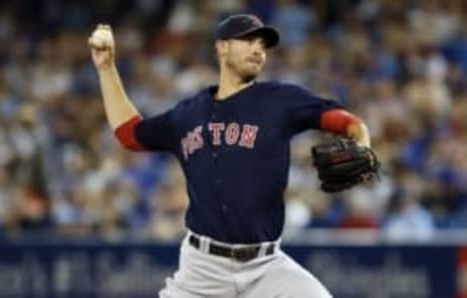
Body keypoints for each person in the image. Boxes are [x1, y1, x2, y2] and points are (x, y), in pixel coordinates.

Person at [89, 14, 371, 298]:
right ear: (222, 47)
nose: (258, 49)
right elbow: (130, 134)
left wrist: (362, 139)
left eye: (262, 44)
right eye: (248, 40)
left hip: (267, 267)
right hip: (202, 271)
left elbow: (343, 121)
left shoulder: (280, 100)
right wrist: (106, 68)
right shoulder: (189, 113)